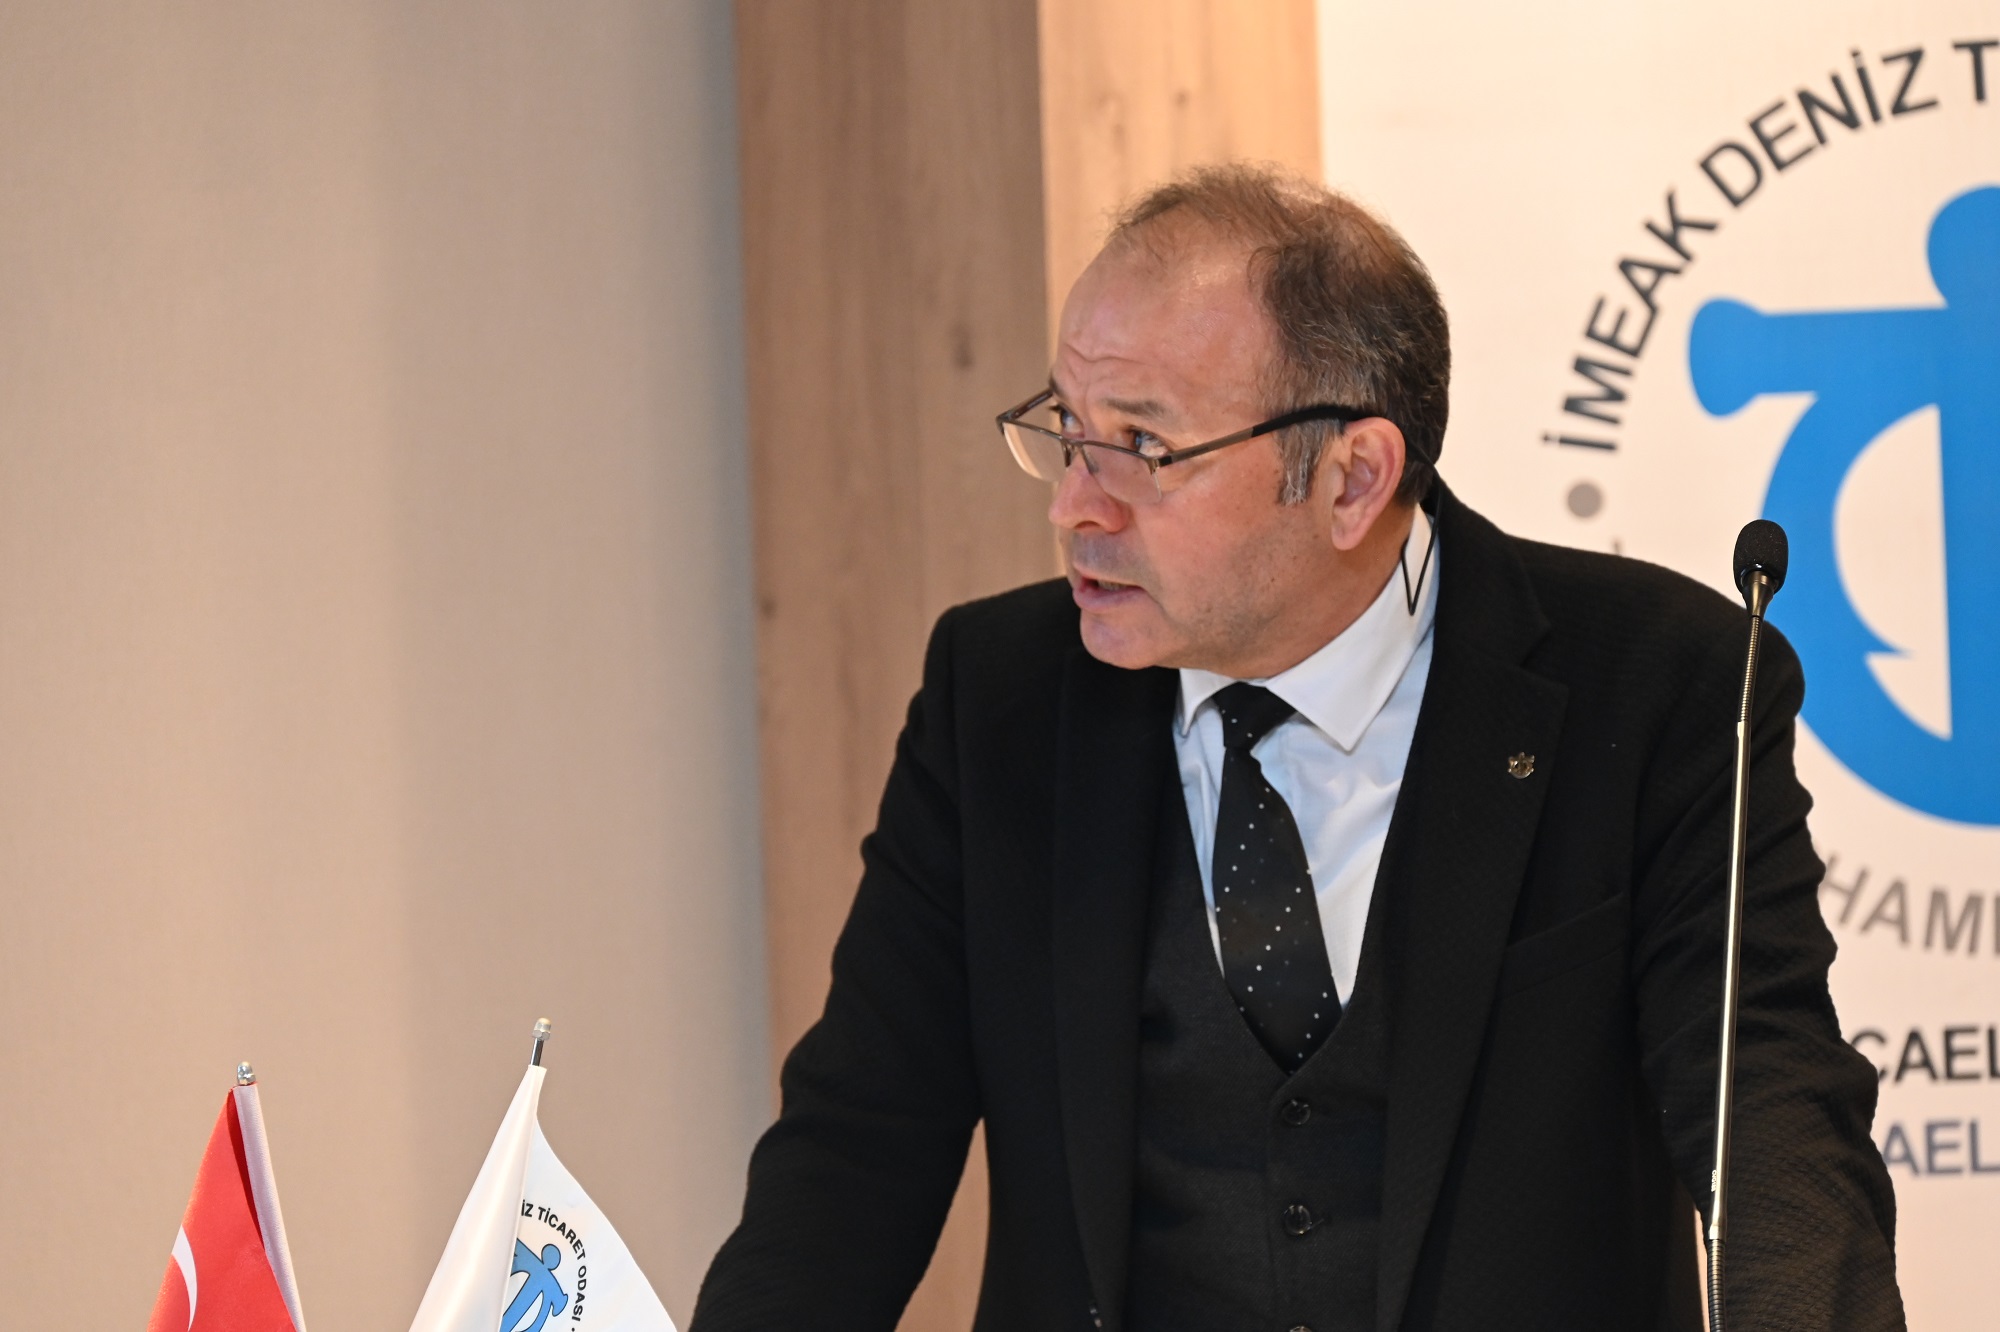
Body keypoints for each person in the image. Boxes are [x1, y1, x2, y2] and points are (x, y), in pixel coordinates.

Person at [690, 165, 1903, 1331]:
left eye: (1143, 447)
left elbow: (1769, 1119)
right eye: (1067, 428)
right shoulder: (998, 698)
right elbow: (856, 1147)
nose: (1073, 505)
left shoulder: (1655, 686)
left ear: (1350, 478)